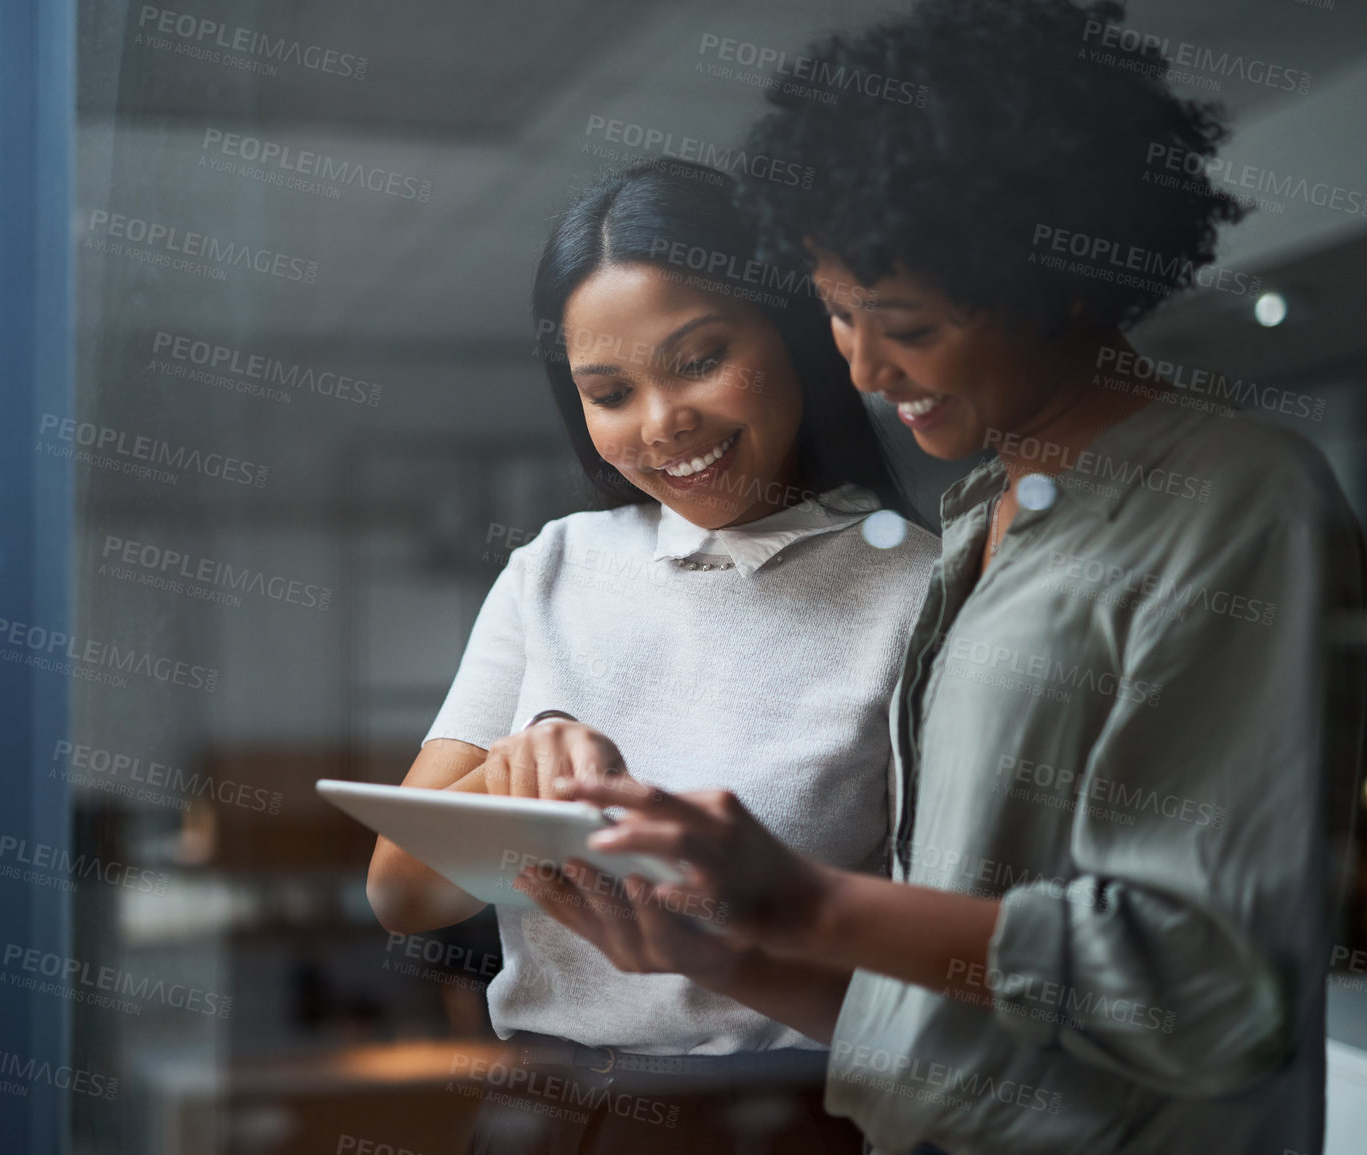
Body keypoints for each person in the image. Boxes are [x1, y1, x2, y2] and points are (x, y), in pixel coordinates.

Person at [509, 3, 1367, 1154]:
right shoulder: (977, 522)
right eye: (838, 313)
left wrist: (811, 901)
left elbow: (1211, 995)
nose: (863, 367)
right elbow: (940, 1027)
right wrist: (726, 955)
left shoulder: (1236, 501)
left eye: (902, 322)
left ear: (1051, 275)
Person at [364, 159, 941, 1153]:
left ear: (793, 332)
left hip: (784, 1118)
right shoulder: (554, 568)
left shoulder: (919, 592)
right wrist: (517, 775)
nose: (662, 422)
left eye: (700, 358)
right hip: (545, 1118)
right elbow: (402, 894)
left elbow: (945, 976)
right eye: (610, 390)